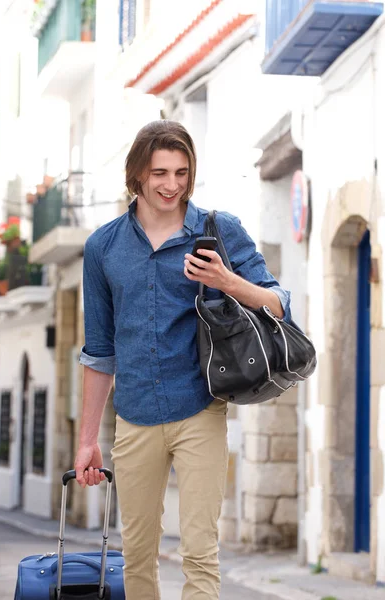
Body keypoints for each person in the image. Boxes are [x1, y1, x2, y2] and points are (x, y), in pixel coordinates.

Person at [74, 120, 291, 600]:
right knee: (138, 557)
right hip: (133, 418)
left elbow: (279, 303)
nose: (171, 184)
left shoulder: (219, 230)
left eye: (181, 172)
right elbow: (99, 349)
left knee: (198, 553)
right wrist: (87, 440)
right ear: (136, 175)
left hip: (200, 409)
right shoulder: (103, 248)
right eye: (159, 173)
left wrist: (227, 281)